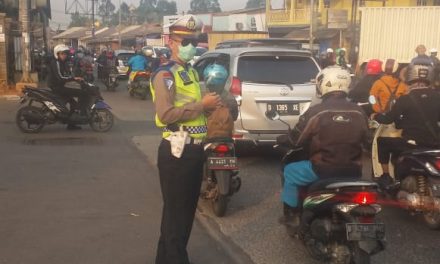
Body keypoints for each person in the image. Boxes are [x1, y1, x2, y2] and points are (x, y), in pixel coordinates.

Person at [149, 15, 221, 264]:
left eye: (195, 39)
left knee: (179, 217)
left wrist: (210, 107)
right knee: (177, 219)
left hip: (192, 152)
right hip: (176, 152)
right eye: (186, 40)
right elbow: (166, 113)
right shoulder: (165, 75)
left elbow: (196, 109)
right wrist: (202, 105)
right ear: (170, 42)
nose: (192, 44)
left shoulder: (189, 71)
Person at [279, 66, 368, 228]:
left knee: (289, 171)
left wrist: (285, 139)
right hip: (354, 171)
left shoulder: (316, 112)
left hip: (322, 169)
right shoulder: (359, 111)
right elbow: (367, 140)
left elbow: (297, 139)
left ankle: (291, 215)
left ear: (323, 85)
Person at [372, 60, 440, 189]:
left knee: (382, 142)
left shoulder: (404, 97)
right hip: (434, 144)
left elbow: (387, 119)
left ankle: (386, 176)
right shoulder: (438, 96)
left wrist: (375, 115)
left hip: (411, 143)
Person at [47, 44, 86, 130]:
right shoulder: (56, 62)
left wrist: (76, 77)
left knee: (73, 102)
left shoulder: (62, 62)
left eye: (65, 54)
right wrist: (73, 78)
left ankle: (70, 123)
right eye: (62, 54)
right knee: (77, 93)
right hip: (56, 86)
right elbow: (60, 77)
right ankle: (69, 120)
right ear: (57, 54)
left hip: (60, 85)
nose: (64, 55)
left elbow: (67, 74)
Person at [202, 63, 238, 139]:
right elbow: (235, 116)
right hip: (226, 136)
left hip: (207, 136)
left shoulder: (203, 96)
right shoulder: (230, 97)